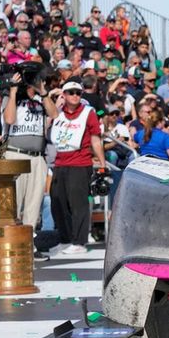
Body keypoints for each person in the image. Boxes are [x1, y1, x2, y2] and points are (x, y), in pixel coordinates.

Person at [47, 81, 107, 256]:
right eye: (71, 92)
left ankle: (79, 241)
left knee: (78, 203)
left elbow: (96, 139)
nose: (75, 95)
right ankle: (65, 239)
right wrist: (55, 109)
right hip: (59, 163)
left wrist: (102, 164)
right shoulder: (58, 113)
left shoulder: (88, 113)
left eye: (78, 93)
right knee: (58, 202)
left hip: (80, 163)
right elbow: (46, 131)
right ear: (63, 95)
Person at [2, 71, 58, 233]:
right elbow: (9, 119)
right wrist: (13, 91)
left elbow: (54, 114)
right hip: (15, 154)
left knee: (34, 202)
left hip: (37, 157)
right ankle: (12, 238)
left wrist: (43, 91)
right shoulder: (11, 99)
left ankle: (29, 240)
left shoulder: (41, 101)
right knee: (15, 200)